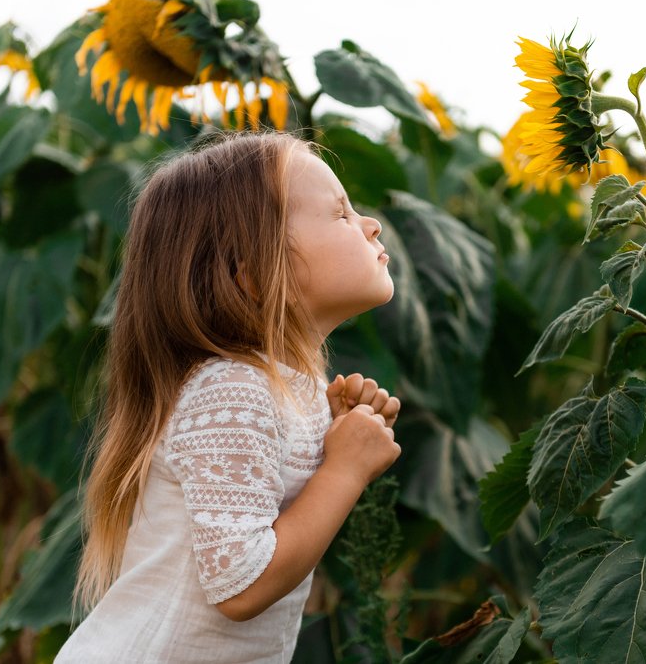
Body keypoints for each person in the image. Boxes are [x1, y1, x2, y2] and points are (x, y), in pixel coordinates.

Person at [56, 131, 402, 663]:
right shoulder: (234, 390)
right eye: (340, 214)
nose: (370, 224)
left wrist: (336, 440)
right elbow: (239, 586)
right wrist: (345, 470)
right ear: (251, 275)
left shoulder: (275, 388)